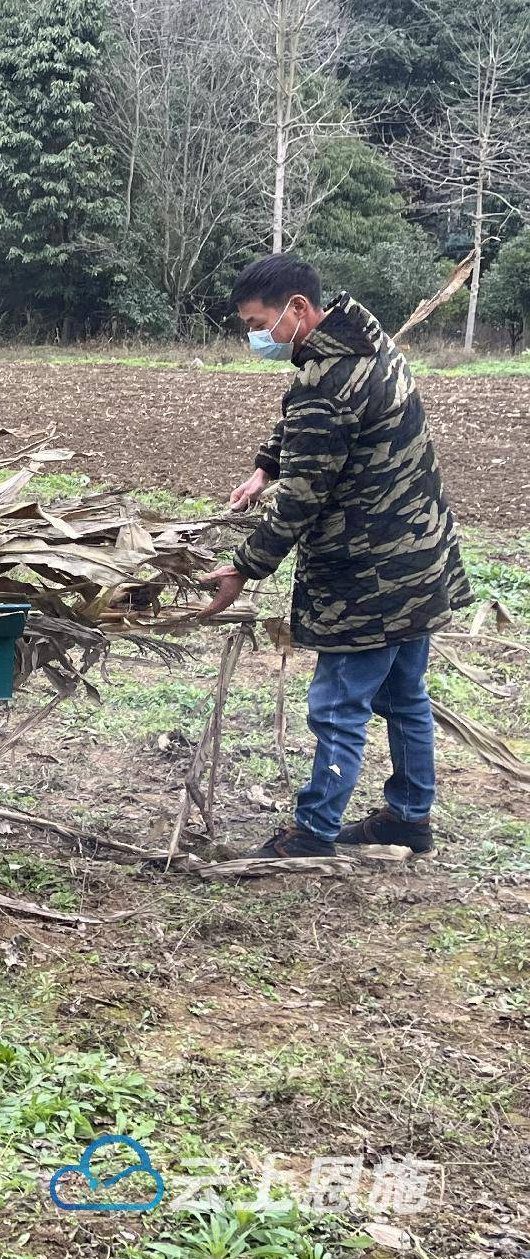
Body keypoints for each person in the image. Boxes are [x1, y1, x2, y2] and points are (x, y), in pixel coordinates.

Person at [199, 255, 473, 859]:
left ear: (298, 309)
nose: (255, 337)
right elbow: (308, 425)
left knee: (337, 705)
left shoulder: (327, 381)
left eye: (258, 322)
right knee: (405, 697)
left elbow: (303, 496)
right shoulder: (364, 346)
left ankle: (314, 831)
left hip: (368, 576)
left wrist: (243, 567)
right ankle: (408, 817)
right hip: (421, 561)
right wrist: (263, 468)